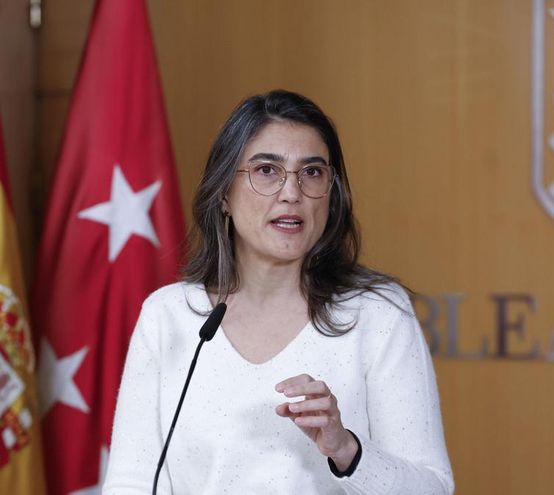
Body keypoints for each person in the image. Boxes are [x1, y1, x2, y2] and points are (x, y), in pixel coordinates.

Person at [103, 90, 453, 494]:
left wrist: (346, 449)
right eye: (267, 170)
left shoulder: (379, 315)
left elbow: (433, 488)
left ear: (332, 194)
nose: (292, 193)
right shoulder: (169, 316)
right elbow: (130, 484)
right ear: (223, 195)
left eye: (312, 172)